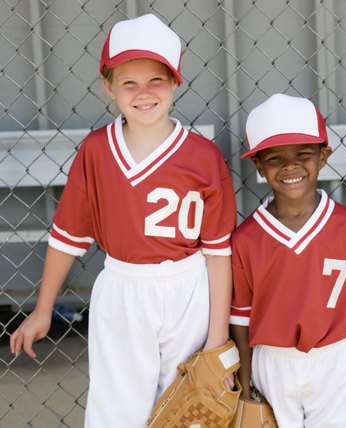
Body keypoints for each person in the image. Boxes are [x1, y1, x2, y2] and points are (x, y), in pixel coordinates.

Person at [9, 14, 237, 426]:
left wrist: (219, 339)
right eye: (129, 82)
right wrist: (44, 309)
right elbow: (67, 237)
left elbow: (218, 255)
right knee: (118, 410)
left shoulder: (204, 157)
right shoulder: (96, 152)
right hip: (123, 289)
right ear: (108, 87)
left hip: (188, 289)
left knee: (188, 407)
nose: (143, 93)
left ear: (175, 83)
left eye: (156, 80)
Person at [229, 93, 346, 427]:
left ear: (323, 156)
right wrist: (244, 380)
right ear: (258, 165)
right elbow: (240, 319)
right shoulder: (245, 239)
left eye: (303, 154)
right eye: (275, 158)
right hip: (273, 361)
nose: (290, 167)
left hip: (336, 356)